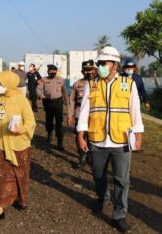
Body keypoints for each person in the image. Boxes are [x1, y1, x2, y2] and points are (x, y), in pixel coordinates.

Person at [77, 46, 144, 233]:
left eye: (103, 63)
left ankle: (120, 214)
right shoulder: (92, 84)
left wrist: (138, 136)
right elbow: (84, 112)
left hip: (121, 139)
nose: (99, 67)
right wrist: (81, 134)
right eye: (99, 63)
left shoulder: (128, 84)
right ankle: (102, 197)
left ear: (114, 65)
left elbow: (135, 111)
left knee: (122, 179)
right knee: (98, 175)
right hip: (97, 139)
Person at [0, 71, 36, 222]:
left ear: (9, 83)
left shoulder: (22, 100)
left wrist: (21, 129)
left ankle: (21, 199)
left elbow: (31, 122)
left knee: (21, 173)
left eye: (0, 83)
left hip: (19, 145)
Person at [67, 60, 96, 168]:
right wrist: (70, 115)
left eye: (90, 70)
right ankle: (82, 157)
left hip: (95, 115)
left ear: (94, 70)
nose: (88, 72)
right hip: (80, 114)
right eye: (86, 70)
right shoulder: (77, 84)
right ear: (82, 71)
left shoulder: (100, 83)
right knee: (80, 136)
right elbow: (72, 101)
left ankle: (91, 157)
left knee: (93, 137)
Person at [37, 64, 68, 150]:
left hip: (58, 102)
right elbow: (38, 89)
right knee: (49, 119)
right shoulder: (43, 80)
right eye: (50, 71)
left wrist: (66, 101)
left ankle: (59, 141)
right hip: (47, 102)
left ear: (56, 72)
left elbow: (64, 91)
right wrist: (40, 95)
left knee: (59, 121)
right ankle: (49, 134)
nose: (52, 73)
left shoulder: (61, 80)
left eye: (54, 71)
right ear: (48, 71)